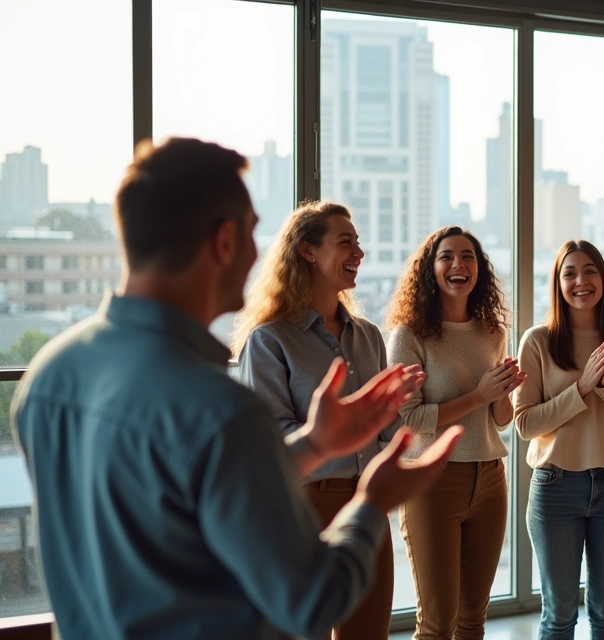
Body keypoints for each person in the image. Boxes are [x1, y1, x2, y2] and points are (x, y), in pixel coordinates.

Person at [13, 137, 461, 640]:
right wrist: (372, 502)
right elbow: (312, 601)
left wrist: (313, 444)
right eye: (252, 233)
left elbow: (178, 491)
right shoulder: (221, 409)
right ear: (224, 242)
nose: (258, 252)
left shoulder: (48, 376)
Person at [233, 200, 400, 639]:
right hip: (304, 505)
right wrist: (332, 434)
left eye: (359, 243)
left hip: (368, 504)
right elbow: (271, 439)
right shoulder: (268, 340)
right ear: (308, 251)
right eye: (346, 242)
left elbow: (386, 428)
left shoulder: (367, 336)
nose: (359, 253)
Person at [384, 226, 524, 639]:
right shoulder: (408, 335)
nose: (458, 265)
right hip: (431, 480)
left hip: (490, 478)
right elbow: (407, 419)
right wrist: (480, 395)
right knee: (436, 622)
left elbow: (499, 420)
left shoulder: (493, 333)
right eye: (446, 256)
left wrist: (504, 392)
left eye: (468, 257)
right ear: (430, 269)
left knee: (472, 620)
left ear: (479, 269)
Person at [514, 240, 604, 640]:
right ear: (557, 284)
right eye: (569, 273)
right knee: (558, 614)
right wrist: (583, 387)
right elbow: (524, 424)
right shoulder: (537, 342)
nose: (580, 281)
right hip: (556, 488)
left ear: (603, 279)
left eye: (589, 270)